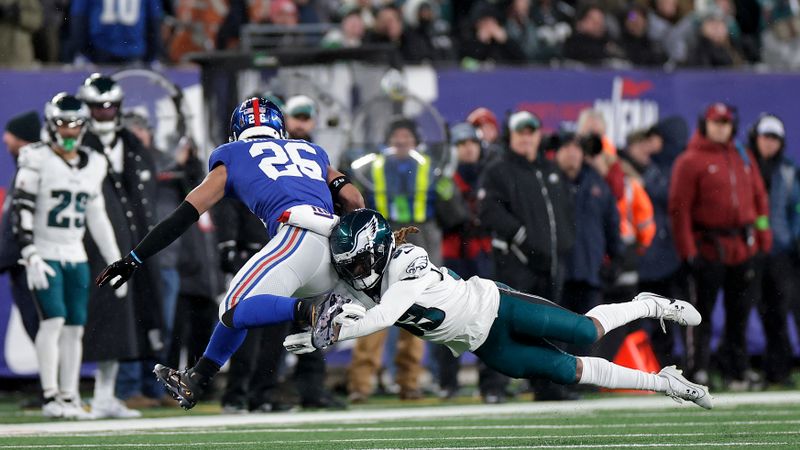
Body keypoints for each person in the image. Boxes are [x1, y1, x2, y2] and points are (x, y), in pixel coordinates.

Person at [284, 209, 713, 410]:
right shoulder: (367, 277)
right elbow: (346, 291)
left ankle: (648, 304)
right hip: (484, 344)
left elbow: (380, 318)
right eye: (349, 266)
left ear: (378, 251)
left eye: (359, 262)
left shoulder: (405, 260)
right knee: (572, 372)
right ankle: (666, 385)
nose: (354, 272)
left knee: (584, 333)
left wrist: (333, 332)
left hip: (497, 306)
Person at [96, 97, 364, 410]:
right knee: (241, 311)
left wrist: (134, 258)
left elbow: (185, 214)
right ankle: (197, 378)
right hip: (331, 249)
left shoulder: (232, 154)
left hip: (296, 237)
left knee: (234, 307)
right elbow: (354, 199)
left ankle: (314, 313)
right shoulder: (312, 151)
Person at [12, 93, 125, 419]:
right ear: (51, 124)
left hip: (75, 254)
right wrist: (29, 251)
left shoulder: (94, 163)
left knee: (75, 327)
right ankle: (51, 397)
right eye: (63, 124)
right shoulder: (36, 157)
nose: (70, 131)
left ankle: (70, 395)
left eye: (75, 125)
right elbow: (21, 210)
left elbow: (97, 216)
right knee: (54, 322)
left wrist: (117, 261)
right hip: (45, 253)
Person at [669, 103, 771, 388]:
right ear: (705, 124)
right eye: (716, 122)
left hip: (741, 247)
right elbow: (679, 210)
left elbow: (759, 198)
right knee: (700, 313)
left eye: (725, 123)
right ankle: (697, 369)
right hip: (708, 247)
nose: (721, 128)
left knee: (739, 312)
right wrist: (688, 250)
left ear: (732, 126)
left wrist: (763, 236)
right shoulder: (690, 160)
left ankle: (735, 369)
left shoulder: (742, 155)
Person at [78, 73, 163, 414]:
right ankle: (68, 393)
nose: (105, 113)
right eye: (99, 108)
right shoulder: (79, 144)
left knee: (129, 320)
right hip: (88, 245)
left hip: (134, 245)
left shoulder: (132, 143)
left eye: (111, 107)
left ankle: (107, 393)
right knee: (93, 321)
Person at [749, 114, 800, 387]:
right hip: (753, 252)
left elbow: (796, 207)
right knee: (755, 311)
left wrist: (793, 236)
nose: (769, 143)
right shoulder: (746, 166)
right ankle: (750, 369)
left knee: (779, 311)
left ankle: (779, 369)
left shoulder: (789, 170)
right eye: (765, 137)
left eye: (774, 139)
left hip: (780, 252)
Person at [1, 111, 42, 342]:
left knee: (45, 333)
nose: (6, 139)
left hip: (33, 266)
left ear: (23, 139)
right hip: (20, 267)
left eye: (11, 135)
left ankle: (56, 379)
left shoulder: (33, 173)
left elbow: (20, 226)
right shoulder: (22, 171)